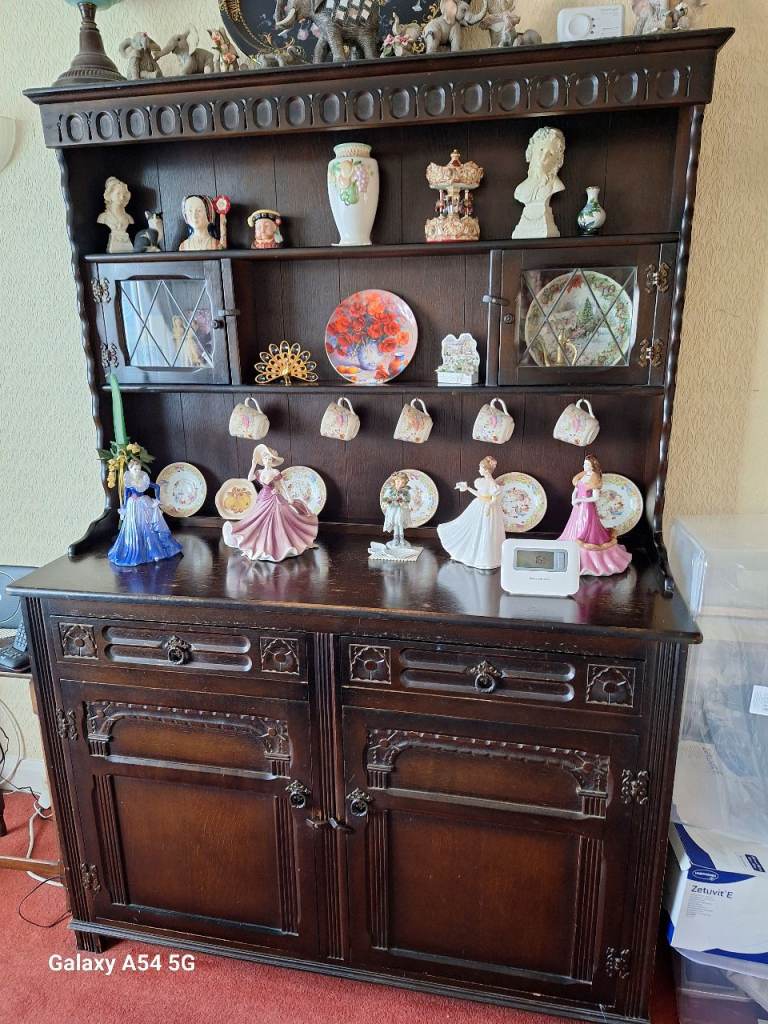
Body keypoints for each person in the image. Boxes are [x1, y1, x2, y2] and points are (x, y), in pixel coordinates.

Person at [222, 445, 318, 562]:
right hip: (263, 497)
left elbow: (283, 486)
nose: (267, 460)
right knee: (258, 517)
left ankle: (278, 543)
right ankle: (260, 541)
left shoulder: (275, 472)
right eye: (266, 458)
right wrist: (253, 464)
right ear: (262, 460)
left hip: (274, 497)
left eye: (269, 458)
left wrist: (288, 497)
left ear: (272, 461)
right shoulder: (259, 472)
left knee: (278, 518)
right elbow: (249, 478)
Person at [559, 454, 632, 576]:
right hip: (578, 508)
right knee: (575, 526)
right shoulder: (582, 476)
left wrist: (581, 500)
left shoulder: (594, 479)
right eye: (584, 464)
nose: (584, 466)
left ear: (593, 466)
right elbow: (576, 490)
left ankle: (589, 558)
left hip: (587, 508)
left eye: (587, 464)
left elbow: (595, 497)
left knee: (587, 526)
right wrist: (573, 500)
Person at [108, 460, 182, 567]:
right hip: (133, 505)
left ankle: (153, 550)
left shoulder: (143, 479)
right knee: (134, 526)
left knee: (147, 526)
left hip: (143, 503)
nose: (137, 471)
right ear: (130, 469)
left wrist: (157, 499)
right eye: (135, 469)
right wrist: (124, 508)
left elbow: (156, 487)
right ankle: (137, 548)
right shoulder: (128, 480)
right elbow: (126, 495)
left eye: (139, 468)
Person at [437, 456, 505, 570]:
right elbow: (480, 495)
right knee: (472, 528)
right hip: (478, 506)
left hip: (488, 509)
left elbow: (494, 499)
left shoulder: (493, 484)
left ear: (486, 470)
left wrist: (489, 506)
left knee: (487, 531)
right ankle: (472, 553)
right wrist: (467, 488)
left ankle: (486, 558)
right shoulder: (480, 481)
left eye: (480, 468)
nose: (479, 470)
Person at [511, 126, 566, 239]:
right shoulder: (520, 190)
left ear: (557, 160)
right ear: (532, 151)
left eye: (550, 154)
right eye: (541, 150)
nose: (543, 157)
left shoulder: (556, 186)